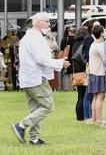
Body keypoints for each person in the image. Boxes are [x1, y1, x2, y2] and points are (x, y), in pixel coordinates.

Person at [11, 12, 70, 145]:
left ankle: (34, 138)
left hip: (28, 78)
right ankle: (20, 126)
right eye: (47, 21)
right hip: (36, 78)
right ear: (38, 23)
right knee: (48, 106)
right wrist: (61, 63)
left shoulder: (29, 37)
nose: (49, 24)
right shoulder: (35, 38)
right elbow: (42, 59)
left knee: (36, 108)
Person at [88, 25, 106, 127]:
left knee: (95, 97)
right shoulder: (100, 46)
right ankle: (98, 120)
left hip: (93, 72)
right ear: (101, 33)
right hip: (100, 73)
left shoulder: (93, 44)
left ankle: (94, 119)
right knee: (100, 97)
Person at [70, 26, 88, 122]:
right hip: (84, 71)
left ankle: (79, 116)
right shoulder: (85, 43)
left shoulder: (75, 44)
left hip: (77, 72)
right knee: (86, 96)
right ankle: (85, 115)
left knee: (80, 96)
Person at [59, 27, 76, 91]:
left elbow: (62, 49)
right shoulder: (77, 39)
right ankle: (73, 87)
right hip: (74, 57)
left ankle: (67, 87)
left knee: (66, 73)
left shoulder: (65, 39)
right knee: (72, 72)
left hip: (66, 57)